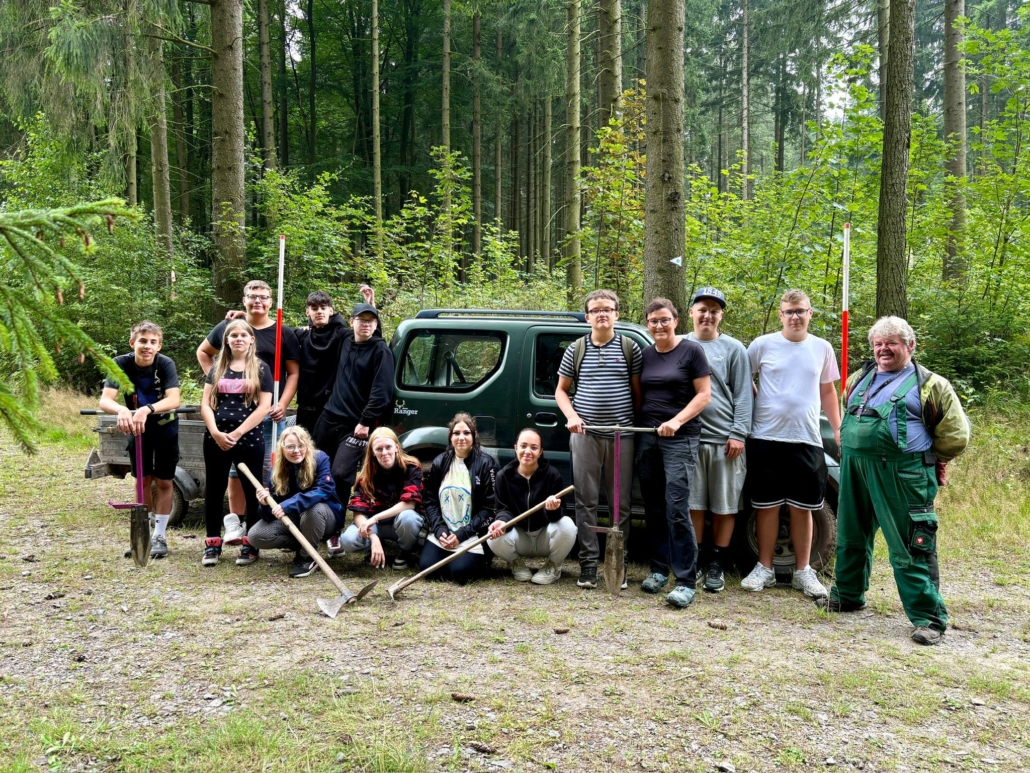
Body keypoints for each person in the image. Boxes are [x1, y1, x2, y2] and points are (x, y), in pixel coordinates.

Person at [821, 317, 970, 646]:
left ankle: (929, 618)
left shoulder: (931, 385)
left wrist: (926, 460)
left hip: (903, 474)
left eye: (891, 343)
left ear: (910, 346)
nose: (883, 349)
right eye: (878, 343)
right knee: (851, 535)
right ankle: (847, 595)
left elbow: (955, 436)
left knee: (909, 546)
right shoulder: (860, 378)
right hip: (856, 468)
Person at [743, 289, 841, 598]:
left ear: (811, 313)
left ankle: (803, 572)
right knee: (766, 506)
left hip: (807, 439)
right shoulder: (762, 345)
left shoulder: (822, 348)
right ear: (781, 315)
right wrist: (762, 400)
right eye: (789, 311)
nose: (795, 316)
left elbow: (828, 392)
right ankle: (765, 568)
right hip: (766, 437)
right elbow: (743, 380)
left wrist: (839, 430)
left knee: (804, 508)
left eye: (800, 311)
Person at [196, 280, 300, 548]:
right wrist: (218, 379)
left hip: (262, 417)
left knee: (258, 475)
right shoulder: (227, 327)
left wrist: (282, 403)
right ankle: (234, 523)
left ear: (270, 301)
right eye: (253, 296)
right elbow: (204, 353)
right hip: (222, 422)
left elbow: (293, 372)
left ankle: (251, 534)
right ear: (244, 300)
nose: (258, 301)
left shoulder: (281, 333)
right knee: (228, 475)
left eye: (264, 297)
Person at [555, 289, 642, 590]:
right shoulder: (576, 349)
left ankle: (620, 563)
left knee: (621, 505)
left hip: (622, 436)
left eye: (608, 309)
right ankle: (589, 565)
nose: (602, 314)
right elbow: (561, 391)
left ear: (617, 314)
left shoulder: (630, 347)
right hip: (586, 435)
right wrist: (572, 417)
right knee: (585, 501)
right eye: (596, 310)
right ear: (588, 316)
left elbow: (637, 393)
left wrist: (630, 423)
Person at [635, 298, 712, 608]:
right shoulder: (646, 355)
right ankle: (657, 569)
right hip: (648, 439)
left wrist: (676, 421)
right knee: (652, 506)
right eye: (653, 320)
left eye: (664, 319)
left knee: (676, 507)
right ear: (648, 324)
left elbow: (704, 395)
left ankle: (685, 581)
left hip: (681, 439)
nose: (659, 325)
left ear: (676, 320)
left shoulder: (691, 351)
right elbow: (639, 394)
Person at [685, 287, 753, 593]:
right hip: (689, 439)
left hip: (725, 440)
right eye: (702, 309)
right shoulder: (680, 344)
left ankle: (717, 563)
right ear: (691, 312)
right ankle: (697, 560)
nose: (707, 315)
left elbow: (743, 395)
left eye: (714, 310)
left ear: (721, 315)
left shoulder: (735, 349)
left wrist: (738, 432)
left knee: (724, 506)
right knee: (694, 504)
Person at [98, 321, 181, 560]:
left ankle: (160, 536)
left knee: (164, 482)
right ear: (132, 343)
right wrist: (122, 411)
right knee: (141, 481)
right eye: (143, 341)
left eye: (153, 342)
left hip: (165, 428)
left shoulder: (165, 364)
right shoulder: (120, 364)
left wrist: (147, 409)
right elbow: (106, 400)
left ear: (159, 345)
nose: (148, 346)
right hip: (136, 430)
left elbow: (173, 398)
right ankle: (142, 532)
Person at [199, 319, 273, 567]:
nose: (239, 339)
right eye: (234, 336)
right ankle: (212, 544)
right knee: (214, 489)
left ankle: (250, 543)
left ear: (251, 339)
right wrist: (216, 432)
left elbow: (264, 406)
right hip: (215, 439)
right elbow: (206, 404)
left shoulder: (261, 369)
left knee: (252, 491)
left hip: (249, 439)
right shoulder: (217, 367)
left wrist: (239, 432)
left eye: (244, 335)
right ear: (227, 341)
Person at [312, 303, 395, 504]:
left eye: (370, 321)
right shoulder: (345, 340)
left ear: (376, 324)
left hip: (355, 425)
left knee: (340, 474)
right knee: (313, 465)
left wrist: (365, 421)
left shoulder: (381, 351)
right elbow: (327, 321)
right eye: (361, 320)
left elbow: (381, 392)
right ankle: (315, 512)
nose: (366, 324)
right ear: (352, 322)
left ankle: (336, 522)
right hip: (329, 416)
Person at [248, 426, 344, 578]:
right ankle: (303, 545)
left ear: (307, 445)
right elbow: (268, 516)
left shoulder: (320, 458)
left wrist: (288, 505)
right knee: (255, 535)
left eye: (300, 446)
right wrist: (264, 504)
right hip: (295, 518)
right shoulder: (275, 472)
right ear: (282, 448)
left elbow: (323, 490)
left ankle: (307, 557)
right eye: (290, 447)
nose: (296, 451)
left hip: (324, 516)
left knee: (312, 510)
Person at [487, 428, 575, 585]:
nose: (528, 451)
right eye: (523, 446)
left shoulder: (552, 475)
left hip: (544, 537)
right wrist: (501, 521)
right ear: (515, 448)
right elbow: (503, 509)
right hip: (519, 536)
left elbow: (561, 514)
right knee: (492, 535)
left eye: (534, 447)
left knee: (568, 526)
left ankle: (553, 566)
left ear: (540, 451)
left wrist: (552, 510)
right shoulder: (503, 476)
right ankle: (515, 563)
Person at [420, 413, 499, 585]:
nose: (461, 437)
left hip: (471, 534)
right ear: (450, 437)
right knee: (427, 569)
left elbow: (490, 508)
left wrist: (462, 533)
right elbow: (430, 500)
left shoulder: (486, 464)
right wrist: (440, 529)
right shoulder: (440, 462)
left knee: (459, 573)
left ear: (474, 436)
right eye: (456, 433)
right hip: (444, 533)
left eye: (466, 433)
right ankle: (448, 552)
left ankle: (478, 560)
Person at [336, 427, 425, 569]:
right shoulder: (366, 475)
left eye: (388, 447)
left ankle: (405, 552)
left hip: (401, 524)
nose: (384, 453)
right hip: (377, 527)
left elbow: (409, 504)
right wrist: (372, 536)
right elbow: (358, 513)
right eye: (379, 449)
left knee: (408, 517)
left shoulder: (412, 468)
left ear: (396, 447)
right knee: (347, 540)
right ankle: (377, 547)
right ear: (372, 451)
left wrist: (375, 518)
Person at [294, 285, 378, 434]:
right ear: (308, 312)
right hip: (305, 409)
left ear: (330, 311)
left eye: (323, 307)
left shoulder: (343, 335)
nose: (319, 311)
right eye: (314, 308)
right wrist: (246, 318)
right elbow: (272, 333)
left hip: (331, 411)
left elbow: (370, 337)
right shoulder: (302, 335)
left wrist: (370, 306)